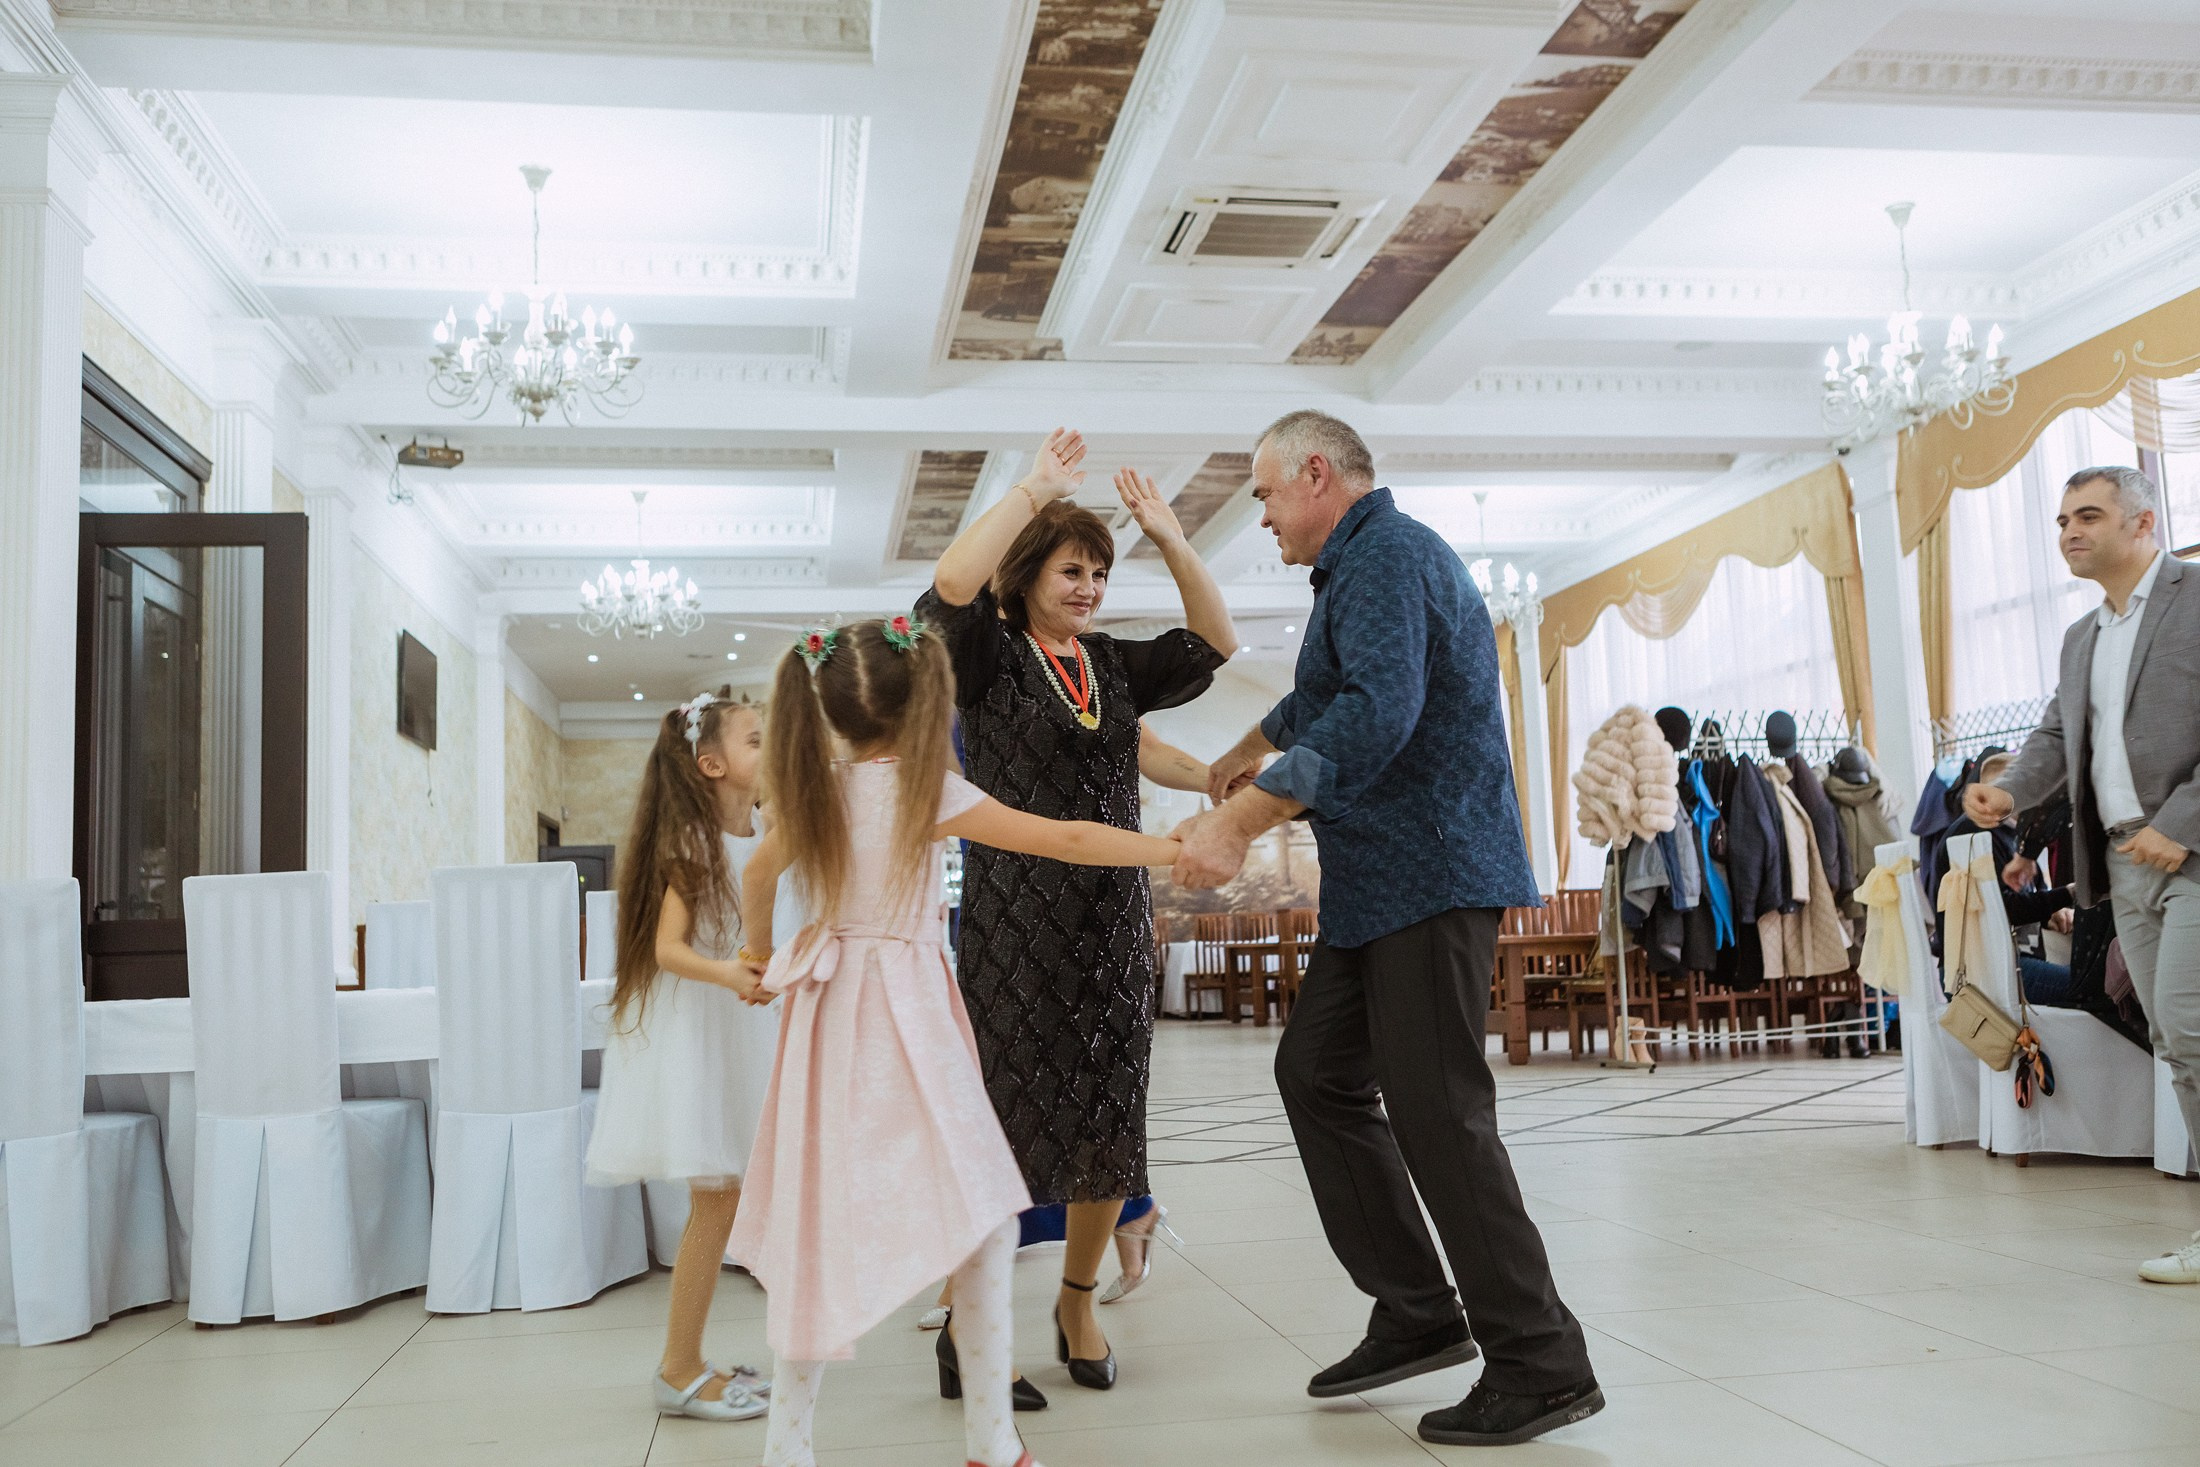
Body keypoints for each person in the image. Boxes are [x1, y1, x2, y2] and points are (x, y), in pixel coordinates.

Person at [1172, 410, 1601, 1448]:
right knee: (1315, 1074)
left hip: (1431, 872)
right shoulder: (1354, 570)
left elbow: (1375, 712)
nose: (1264, 517)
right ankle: (1418, 1309)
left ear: (1316, 474)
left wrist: (1242, 816)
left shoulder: (1390, 555)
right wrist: (1237, 755)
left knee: (1439, 1115)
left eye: (1268, 495)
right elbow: (1317, 699)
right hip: (1379, 885)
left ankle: (1540, 1361)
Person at [728, 617, 1184, 1467]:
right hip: (904, 1008)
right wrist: (1170, 846)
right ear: (923, 709)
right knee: (983, 1220)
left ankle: (789, 1449)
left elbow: (759, 873)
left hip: (827, 1014)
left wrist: (758, 958)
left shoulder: (814, 787)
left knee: (823, 1226)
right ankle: (991, 1440)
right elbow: (1069, 837)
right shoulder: (925, 789)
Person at [915, 429, 1235, 1389]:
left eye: (1099, 569)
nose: (1090, 584)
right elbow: (947, 590)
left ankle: (1077, 1300)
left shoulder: (1107, 666)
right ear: (1029, 575)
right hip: (1015, 925)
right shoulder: (988, 657)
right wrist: (1032, 489)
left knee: (1110, 1121)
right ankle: (965, 1327)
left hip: (1113, 925)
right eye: (1071, 568)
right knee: (1004, 1128)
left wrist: (1174, 540)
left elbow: (1215, 641)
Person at [1968, 464, 2200, 1284]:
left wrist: (2181, 825)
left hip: (2191, 854)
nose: (2069, 529)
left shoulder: (2195, 600)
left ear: (2142, 524)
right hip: (2121, 867)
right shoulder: (2082, 637)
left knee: (2189, 1025)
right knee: (2176, 1039)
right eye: (2063, 517)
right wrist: (2009, 788)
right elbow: (2058, 741)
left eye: (2088, 515)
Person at [584, 691, 781, 1422]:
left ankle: (692, 1357)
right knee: (717, 1199)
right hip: (701, 1031)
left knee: (730, 1196)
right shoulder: (694, 842)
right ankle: (677, 1366)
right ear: (713, 762)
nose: (770, 750)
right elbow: (668, 949)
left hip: (736, 1025)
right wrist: (730, 972)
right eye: (757, 740)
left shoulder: (759, 827)